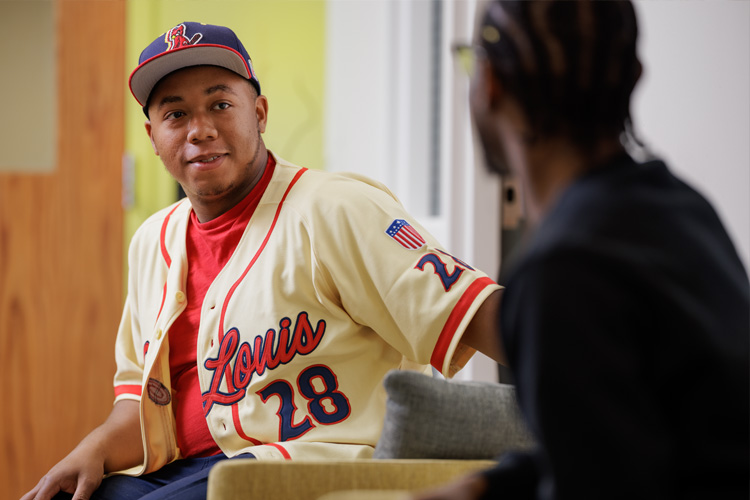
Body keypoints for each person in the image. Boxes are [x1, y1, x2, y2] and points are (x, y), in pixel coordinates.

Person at [22, 22, 504, 500]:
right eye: (176, 114)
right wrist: (90, 449)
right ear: (152, 135)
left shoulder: (334, 209)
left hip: (311, 464)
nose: (200, 130)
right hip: (184, 471)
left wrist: (575, 400)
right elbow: (138, 404)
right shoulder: (154, 240)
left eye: (221, 104)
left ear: (260, 113)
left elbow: (479, 312)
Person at [416, 1, 750, 499]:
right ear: (633, 79)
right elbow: (640, 445)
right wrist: (485, 486)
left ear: (490, 85)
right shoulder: (683, 210)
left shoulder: (563, 270)